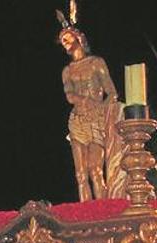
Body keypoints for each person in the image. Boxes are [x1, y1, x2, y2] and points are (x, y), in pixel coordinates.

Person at [56, 10, 123, 201]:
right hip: (77, 120)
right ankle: (84, 215)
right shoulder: (67, 71)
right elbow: (69, 95)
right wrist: (82, 101)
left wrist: (103, 110)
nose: (66, 44)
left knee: (95, 169)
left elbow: (112, 92)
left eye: (68, 39)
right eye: (63, 42)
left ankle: (102, 211)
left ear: (78, 38)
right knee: (80, 174)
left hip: (96, 119)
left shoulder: (96, 63)